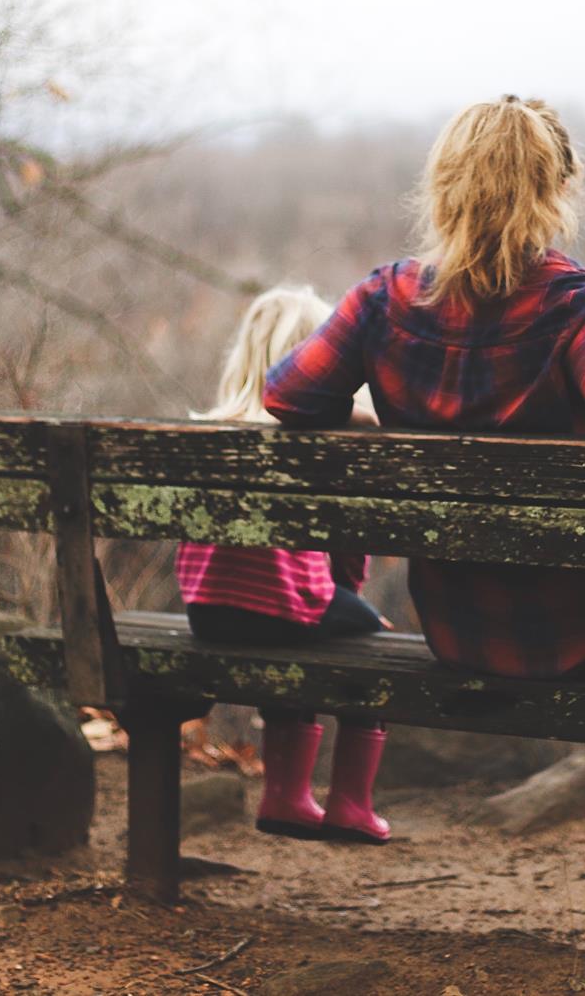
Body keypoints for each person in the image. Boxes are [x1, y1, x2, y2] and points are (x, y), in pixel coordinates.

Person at [264, 96, 585, 913]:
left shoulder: (382, 299)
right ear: (558, 188)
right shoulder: (584, 303)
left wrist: (367, 414)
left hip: (457, 624)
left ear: (444, 187)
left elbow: (287, 395)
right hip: (579, 630)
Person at [176, 285, 394, 844]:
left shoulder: (210, 431)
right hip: (283, 608)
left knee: (297, 625)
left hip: (207, 612)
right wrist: (353, 599)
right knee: (372, 640)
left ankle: (286, 796)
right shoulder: (315, 437)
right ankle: (349, 804)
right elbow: (346, 547)